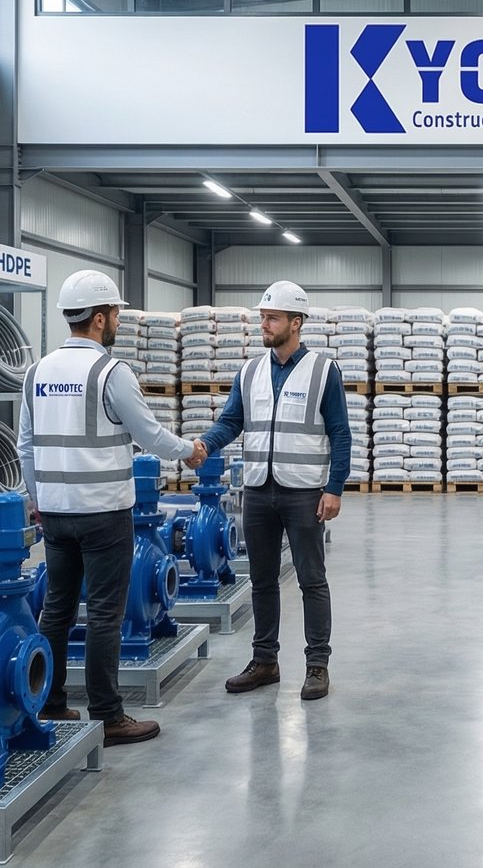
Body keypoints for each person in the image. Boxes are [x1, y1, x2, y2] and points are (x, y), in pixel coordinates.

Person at [17, 270, 190, 746]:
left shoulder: (37, 372)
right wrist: (188, 450)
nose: (117, 321)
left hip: (54, 513)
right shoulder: (110, 372)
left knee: (56, 609)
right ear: (98, 318)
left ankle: (50, 701)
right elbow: (149, 434)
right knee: (106, 614)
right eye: (115, 313)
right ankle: (109, 715)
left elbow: (25, 446)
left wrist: (39, 499)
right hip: (104, 513)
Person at [190, 280, 349, 700]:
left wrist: (334, 488)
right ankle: (265, 662)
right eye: (262, 316)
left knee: (312, 580)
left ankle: (317, 665)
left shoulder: (323, 371)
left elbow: (341, 434)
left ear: (296, 323)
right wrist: (206, 442)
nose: (264, 323)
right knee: (261, 581)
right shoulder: (250, 371)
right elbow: (232, 421)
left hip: (303, 493)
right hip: (258, 491)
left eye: (272, 317)